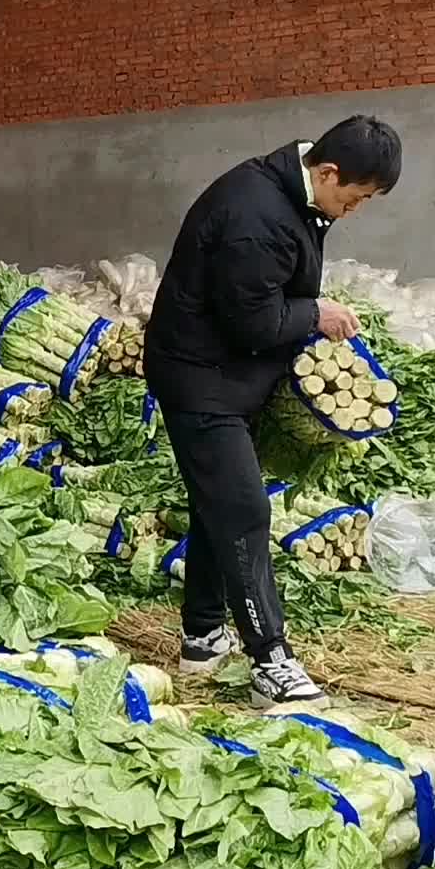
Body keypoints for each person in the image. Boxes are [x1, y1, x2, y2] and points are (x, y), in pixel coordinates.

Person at [144, 115, 402, 709]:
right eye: (356, 198)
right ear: (329, 171)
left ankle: (203, 637)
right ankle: (271, 661)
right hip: (200, 378)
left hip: (228, 374)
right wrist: (315, 314)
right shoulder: (255, 217)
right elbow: (253, 322)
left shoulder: (294, 195)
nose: (356, 210)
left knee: (220, 505)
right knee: (245, 510)